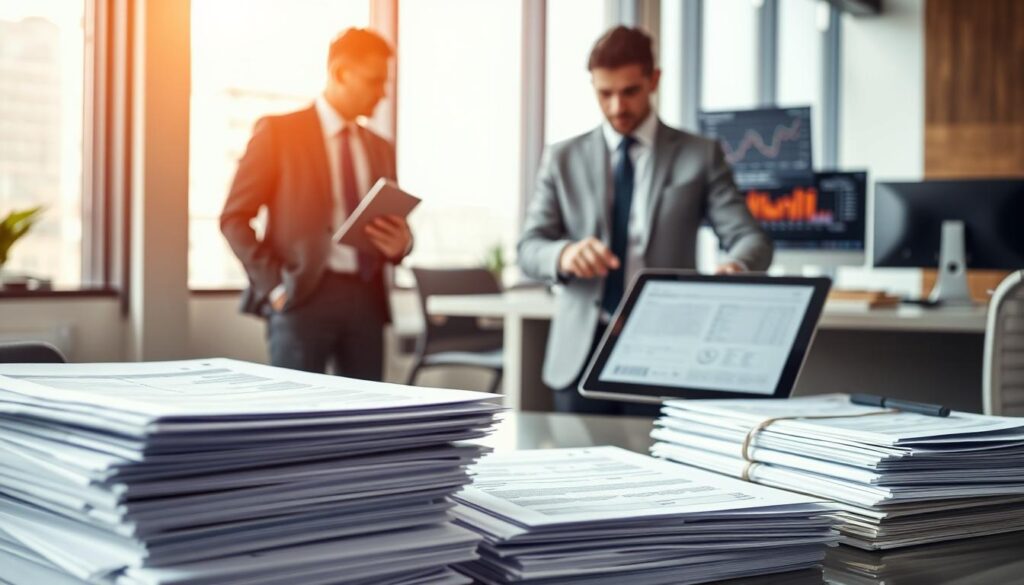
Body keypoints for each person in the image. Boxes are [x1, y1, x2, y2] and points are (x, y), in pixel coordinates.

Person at [517, 26, 773, 414]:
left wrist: (736, 267)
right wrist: (565, 254)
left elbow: (751, 239)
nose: (617, 107)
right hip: (580, 352)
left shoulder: (699, 155)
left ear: (654, 80)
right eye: (605, 94)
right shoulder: (562, 157)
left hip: (667, 352)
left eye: (630, 91)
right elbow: (529, 248)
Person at [221, 28, 411, 380]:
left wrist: (402, 245)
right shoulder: (279, 133)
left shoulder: (379, 147)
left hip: (367, 301)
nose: (382, 94)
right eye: (374, 81)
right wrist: (275, 287)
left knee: (367, 421)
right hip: (302, 296)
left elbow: (389, 219)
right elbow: (234, 218)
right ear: (340, 73)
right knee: (295, 421)